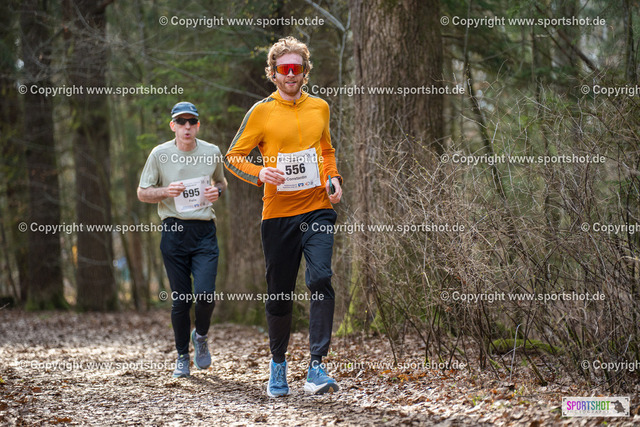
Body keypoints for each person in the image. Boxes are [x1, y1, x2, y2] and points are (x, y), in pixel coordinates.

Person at [224, 36, 343, 396]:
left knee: (320, 278)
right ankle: (278, 365)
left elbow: (326, 150)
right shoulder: (261, 111)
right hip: (277, 215)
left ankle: (317, 367)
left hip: (318, 208)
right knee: (279, 293)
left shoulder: (320, 107)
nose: (291, 74)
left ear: (306, 71)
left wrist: (334, 178)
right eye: (284, 68)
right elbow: (233, 157)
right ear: (273, 73)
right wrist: (260, 172)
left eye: (297, 68)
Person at [138, 102, 227, 378]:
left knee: (205, 294)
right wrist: (166, 191)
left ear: (197, 125)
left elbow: (222, 182)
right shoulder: (159, 154)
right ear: (173, 126)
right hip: (174, 231)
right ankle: (181, 357)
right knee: (181, 299)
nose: (186, 127)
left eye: (191, 122)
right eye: (181, 122)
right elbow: (142, 192)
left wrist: (217, 192)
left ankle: (200, 336)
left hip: (204, 231)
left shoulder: (211, 152)